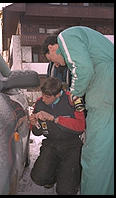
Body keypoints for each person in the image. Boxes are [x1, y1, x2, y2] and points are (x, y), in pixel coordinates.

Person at [42, 26, 114, 195]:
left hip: (104, 100)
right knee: (107, 157)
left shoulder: (66, 37)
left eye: (52, 59)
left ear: (53, 47)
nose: (57, 64)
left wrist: (73, 95)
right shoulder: (94, 48)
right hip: (107, 96)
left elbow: (83, 69)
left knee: (94, 157)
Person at [29, 77, 86, 195]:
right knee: (38, 178)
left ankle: (70, 175)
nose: (43, 99)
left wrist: (55, 119)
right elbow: (37, 132)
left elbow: (81, 126)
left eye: (47, 97)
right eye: (43, 95)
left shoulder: (72, 100)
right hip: (51, 144)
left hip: (71, 146)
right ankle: (52, 175)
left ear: (58, 95)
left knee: (66, 191)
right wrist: (35, 125)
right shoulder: (39, 103)